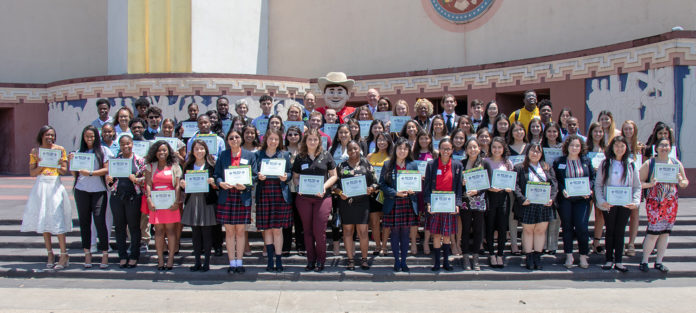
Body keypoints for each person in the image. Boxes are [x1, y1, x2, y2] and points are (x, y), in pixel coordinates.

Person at [22, 126, 73, 270]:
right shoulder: (35, 152)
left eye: (52, 135)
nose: (50, 137)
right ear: (41, 136)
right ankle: (50, 253)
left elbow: (64, 171)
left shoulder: (60, 150)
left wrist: (57, 164)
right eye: (47, 135)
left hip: (55, 185)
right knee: (44, 219)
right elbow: (32, 172)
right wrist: (42, 164)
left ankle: (64, 254)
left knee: (57, 219)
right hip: (41, 186)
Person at [639, 137, 689, 273]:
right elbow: (638, 182)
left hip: (670, 203)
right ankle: (644, 260)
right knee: (653, 233)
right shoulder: (650, 163)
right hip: (655, 202)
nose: (664, 148)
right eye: (662, 145)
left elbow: (684, 182)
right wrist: (650, 184)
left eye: (667, 145)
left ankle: (659, 261)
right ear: (656, 147)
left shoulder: (675, 163)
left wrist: (681, 180)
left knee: (665, 233)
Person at [292, 129, 338, 272]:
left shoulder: (326, 155)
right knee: (307, 231)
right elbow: (295, 176)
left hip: (322, 198)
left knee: (319, 231)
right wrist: (298, 186)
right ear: (305, 141)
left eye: (315, 139)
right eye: (310, 139)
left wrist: (324, 187)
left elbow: (334, 176)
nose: (312, 142)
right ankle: (310, 260)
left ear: (319, 141)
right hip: (304, 199)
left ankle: (321, 260)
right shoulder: (300, 157)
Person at [594, 136, 641, 272]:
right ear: (612, 147)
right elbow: (598, 185)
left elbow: (637, 186)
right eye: (616, 146)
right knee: (610, 230)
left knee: (620, 231)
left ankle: (619, 261)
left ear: (626, 148)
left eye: (622, 146)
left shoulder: (631, 164)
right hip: (609, 203)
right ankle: (609, 260)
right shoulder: (605, 163)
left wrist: (636, 201)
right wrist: (601, 201)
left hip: (625, 203)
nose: (619, 149)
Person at [68, 125, 113, 269]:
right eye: (87, 136)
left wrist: (92, 173)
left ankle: (105, 253)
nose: (90, 139)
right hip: (81, 190)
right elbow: (75, 174)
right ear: (83, 137)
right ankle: (87, 253)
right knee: (84, 222)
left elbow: (107, 169)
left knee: (100, 221)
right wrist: (71, 162)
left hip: (99, 190)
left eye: (92, 136)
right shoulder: (79, 152)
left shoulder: (103, 151)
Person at [214, 129, 257, 273]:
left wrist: (246, 185)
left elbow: (255, 175)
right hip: (227, 196)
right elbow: (217, 175)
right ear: (227, 140)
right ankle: (232, 263)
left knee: (240, 231)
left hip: (242, 196)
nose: (234, 140)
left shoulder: (249, 155)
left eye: (237, 137)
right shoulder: (223, 155)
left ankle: (240, 262)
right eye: (231, 138)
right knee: (229, 231)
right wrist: (220, 183)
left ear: (241, 139)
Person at [513, 143, 558, 270]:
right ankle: (529, 257)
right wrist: (522, 199)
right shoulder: (519, 167)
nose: (535, 153)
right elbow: (515, 186)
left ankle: (538, 257)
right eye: (532, 151)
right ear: (527, 152)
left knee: (540, 231)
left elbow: (554, 184)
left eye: (538, 151)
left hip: (544, 205)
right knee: (528, 231)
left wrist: (551, 199)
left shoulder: (547, 167)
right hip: (528, 204)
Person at [334, 140, 378, 270]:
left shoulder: (366, 164)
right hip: (346, 203)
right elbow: (335, 185)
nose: (353, 151)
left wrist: (371, 189)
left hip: (362, 203)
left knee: (363, 232)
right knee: (347, 231)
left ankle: (364, 259)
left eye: (355, 149)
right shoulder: (341, 166)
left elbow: (376, 182)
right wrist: (340, 192)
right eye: (350, 150)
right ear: (346, 152)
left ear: (359, 149)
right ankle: (350, 259)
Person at [553, 135, 595, 269]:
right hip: (566, 199)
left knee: (582, 227)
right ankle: (569, 255)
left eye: (577, 146)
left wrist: (590, 189)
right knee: (567, 227)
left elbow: (593, 178)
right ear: (567, 147)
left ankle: (583, 255)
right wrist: (562, 189)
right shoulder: (559, 161)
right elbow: (556, 180)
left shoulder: (586, 161)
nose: (574, 148)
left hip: (582, 199)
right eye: (572, 145)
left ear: (581, 147)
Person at [105, 134, 147, 268]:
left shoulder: (139, 160)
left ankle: (134, 255)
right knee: (119, 228)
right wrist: (109, 180)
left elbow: (144, 179)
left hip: (133, 197)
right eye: (123, 144)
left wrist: (136, 179)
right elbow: (111, 184)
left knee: (134, 227)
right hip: (117, 197)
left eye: (128, 143)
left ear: (132, 144)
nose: (126, 146)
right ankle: (122, 255)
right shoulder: (115, 161)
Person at [255, 129, 293, 272]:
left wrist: (286, 177)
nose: (273, 142)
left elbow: (290, 173)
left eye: (276, 139)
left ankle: (278, 259)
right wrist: (258, 176)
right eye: (271, 139)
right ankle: (270, 260)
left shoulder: (285, 155)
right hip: (265, 193)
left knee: (277, 229)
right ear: (266, 139)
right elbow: (253, 174)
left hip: (279, 194)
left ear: (280, 141)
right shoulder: (258, 155)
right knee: (267, 229)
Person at [379, 138, 419, 272]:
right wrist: (395, 193)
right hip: (393, 202)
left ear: (409, 151)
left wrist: (413, 190)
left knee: (406, 234)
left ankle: (404, 261)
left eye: (405, 149)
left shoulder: (413, 165)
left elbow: (417, 184)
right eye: (400, 148)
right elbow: (382, 184)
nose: (402, 151)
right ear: (395, 149)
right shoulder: (387, 165)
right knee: (395, 234)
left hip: (407, 203)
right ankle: (396, 261)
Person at [424, 138, 463, 271]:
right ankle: (436, 263)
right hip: (435, 204)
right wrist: (428, 203)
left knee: (447, 235)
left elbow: (458, 187)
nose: (446, 151)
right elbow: (427, 186)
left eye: (448, 149)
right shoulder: (431, 165)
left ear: (452, 150)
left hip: (449, 203)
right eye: (443, 148)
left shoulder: (457, 165)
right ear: (439, 149)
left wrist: (457, 203)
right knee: (436, 234)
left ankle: (446, 262)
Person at [180, 139, 218, 272]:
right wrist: (182, 184)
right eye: (196, 149)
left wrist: (213, 182)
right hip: (192, 201)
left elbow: (217, 184)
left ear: (206, 150)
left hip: (206, 201)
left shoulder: (211, 165)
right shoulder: (188, 165)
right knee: (195, 234)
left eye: (202, 148)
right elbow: (182, 181)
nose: (199, 151)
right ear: (192, 151)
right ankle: (197, 262)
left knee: (207, 234)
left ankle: (206, 262)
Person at [144, 141, 182, 271]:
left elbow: (177, 185)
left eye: (165, 150)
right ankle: (160, 259)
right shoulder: (151, 166)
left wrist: (176, 201)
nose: (162, 153)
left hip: (170, 203)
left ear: (169, 152)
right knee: (159, 231)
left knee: (171, 231)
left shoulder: (175, 166)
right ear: (155, 152)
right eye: (159, 150)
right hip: (156, 203)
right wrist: (149, 199)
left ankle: (170, 258)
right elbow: (148, 184)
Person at [483, 137, 514, 268]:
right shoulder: (485, 161)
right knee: (489, 226)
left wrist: (509, 188)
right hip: (489, 196)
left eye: (499, 147)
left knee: (502, 227)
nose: (496, 150)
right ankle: (491, 253)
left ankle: (500, 254)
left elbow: (512, 181)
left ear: (503, 148)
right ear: (490, 148)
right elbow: (482, 181)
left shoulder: (508, 163)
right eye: (494, 147)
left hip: (503, 197)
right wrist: (489, 187)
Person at [460, 138, 487, 271]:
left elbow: (487, 183)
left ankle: (475, 257)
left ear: (479, 149)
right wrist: (462, 183)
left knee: (478, 230)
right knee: (465, 229)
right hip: (465, 201)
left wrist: (478, 190)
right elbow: (456, 182)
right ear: (466, 150)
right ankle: (465, 257)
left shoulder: (483, 163)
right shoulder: (461, 163)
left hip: (479, 201)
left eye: (475, 147)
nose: (472, 150)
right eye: (469, 147)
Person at [622, 120, 645, 257]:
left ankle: (631, 243)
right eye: (626, 129)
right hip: (621, 186)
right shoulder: (619, 145)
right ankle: (621, 242)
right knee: (621, 215)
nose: (628, 131)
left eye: (630, 129)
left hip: (635, 185)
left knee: (634, 214)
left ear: (634, 130)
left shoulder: (640, 147)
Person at [367, 132, 393, 256]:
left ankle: (384, 246)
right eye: (379, 140)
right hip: (373, 193)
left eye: (384, 140)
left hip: (387, 193)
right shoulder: (370, 156)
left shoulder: (393, 157)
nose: (381, 142)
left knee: (386, 221)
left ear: (389, 142)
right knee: (375, 222)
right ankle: (377, 245)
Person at [282, 127, 305, 256]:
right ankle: (286, 246)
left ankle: (301, 245)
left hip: (301, 189)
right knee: (286, 220)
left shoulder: (304, 151)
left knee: (300, 219)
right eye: (290, 134)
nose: (293, 136)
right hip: (286, 190)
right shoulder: (282, 151)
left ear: (300, 136)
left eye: (296, 134)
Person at [541, 122, 563, 254]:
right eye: (549, 131)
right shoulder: (541, 147)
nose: (552, 134)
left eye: (555, 131)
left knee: (556, 217)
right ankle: (542, 244)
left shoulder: (563, 148)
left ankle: (553, 245)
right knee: (544, 216)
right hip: (543, 184)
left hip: (558, 183)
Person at [587, 122, 606, 254]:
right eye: (595, 131)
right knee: (586, 214)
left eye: (600, 131)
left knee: (600, 214)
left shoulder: (606, 149)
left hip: (602, 185)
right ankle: (584, 240)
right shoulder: (585, 149)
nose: (598, 134)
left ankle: (597, 241)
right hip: (587, 185)